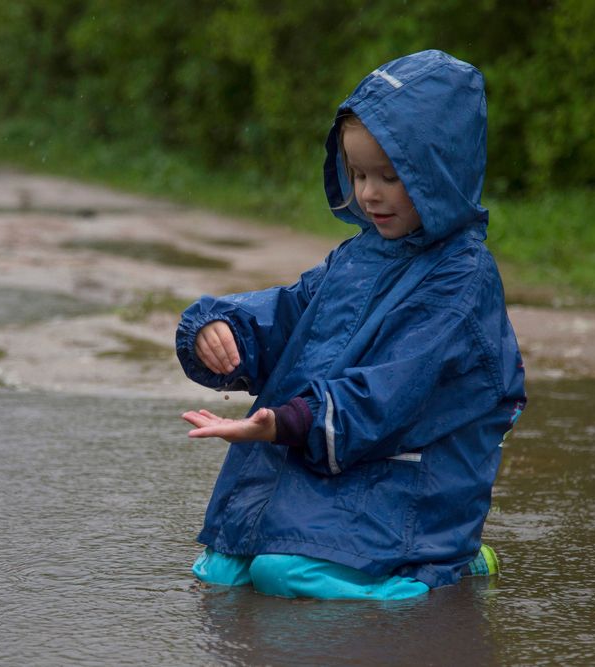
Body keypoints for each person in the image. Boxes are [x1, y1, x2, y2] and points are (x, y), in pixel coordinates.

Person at [176, 50, 526, 601]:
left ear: (440, 172)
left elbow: (389, 394)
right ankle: (333, 544)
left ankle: (450, 562)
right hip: (337, 455)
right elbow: (289, 315)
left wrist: (285, 421)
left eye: (391, 176)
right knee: (219, 569)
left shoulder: (463, 278)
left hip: (413, 478)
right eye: (359, 173)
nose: (369, 193)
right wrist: (220, 330)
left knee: (283, 573)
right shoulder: (359, 256)